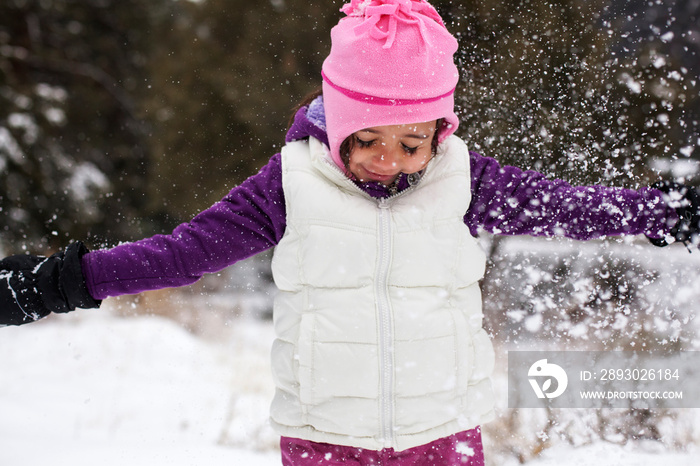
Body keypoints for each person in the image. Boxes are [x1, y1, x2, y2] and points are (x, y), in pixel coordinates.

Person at [1, 0, 699, 464]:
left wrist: (667, 214)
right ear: (334, 120)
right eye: (364, 139)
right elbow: (184, 254)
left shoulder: (468, 181)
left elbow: (566, 206)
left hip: (443, 436)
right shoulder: (289, 185)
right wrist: (63, 281)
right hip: (324, 440)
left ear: (441, 131)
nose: (386, 162)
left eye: (410, 142)